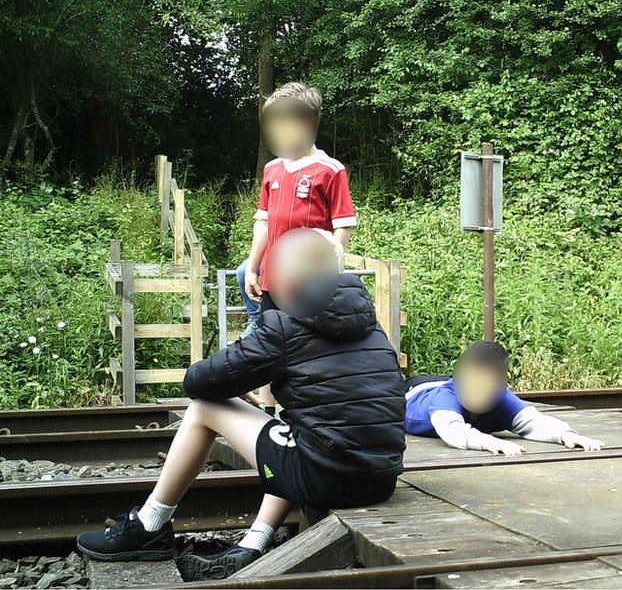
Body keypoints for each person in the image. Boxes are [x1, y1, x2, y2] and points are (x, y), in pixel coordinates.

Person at [76, 229, 406, 581]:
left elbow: (198, 382)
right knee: (292, 434)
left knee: (203, 409)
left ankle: (149, 525)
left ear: (280, 280)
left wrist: (267, 315)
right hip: (380, 478)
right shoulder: (371, 326)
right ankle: (253, 544)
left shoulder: (285, 326)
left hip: (330, 478)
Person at [241, 81, 358, 413]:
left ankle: (308, 411)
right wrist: (253, 266)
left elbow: (342, 226)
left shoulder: (330, 170)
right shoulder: (272, 169)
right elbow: (263, 221)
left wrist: (328, 273)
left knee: (309, 346)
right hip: (273, 279)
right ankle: (268, 411)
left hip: (310, 282)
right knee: (268, 340)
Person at [405, 341, 605, 456]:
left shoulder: (502, 399)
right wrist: (490, 442)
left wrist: (566, 434)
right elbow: (452, 431)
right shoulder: (444, 400)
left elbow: (533, 421)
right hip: (415, 388)